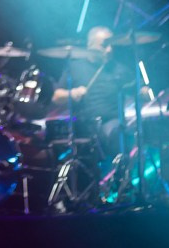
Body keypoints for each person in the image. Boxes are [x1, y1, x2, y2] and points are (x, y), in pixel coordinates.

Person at [49, 26, 135, 156]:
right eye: (104, 45)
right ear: (91, 46)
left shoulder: (119, 69)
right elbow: (56, 97)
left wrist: (144, 92)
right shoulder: (75, 67)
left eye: (111, 45)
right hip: (82, 126)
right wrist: (73, 93)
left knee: (116, 133)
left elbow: (137, 90)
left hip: (111, 123)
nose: (109, 50)